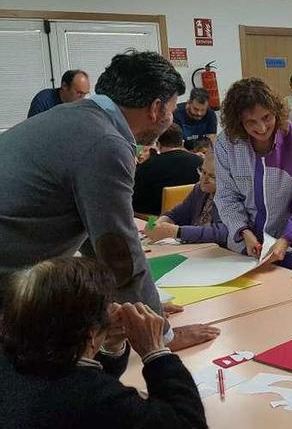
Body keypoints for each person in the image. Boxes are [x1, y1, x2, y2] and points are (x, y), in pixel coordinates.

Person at [0, 51, 216, 351]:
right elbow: (118, 252)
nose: (170, 118)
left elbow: (96, 231)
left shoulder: (73, 117)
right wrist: (161, 334)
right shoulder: (106, 144)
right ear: (155, 108)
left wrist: (139, 307)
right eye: (170, 109)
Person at [0, 256, 208, 428]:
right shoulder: (94, 399)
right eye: (107, 305)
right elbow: (189, 423)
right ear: (90, 334)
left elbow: (87, 378)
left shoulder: (17, 358)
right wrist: (156, 353)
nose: (115, 308)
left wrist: (111, 345)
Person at [215, 78, 292, 269]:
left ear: (276, 112)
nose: (262, 128)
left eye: (266, 118)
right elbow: (226, 197)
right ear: (239, 123)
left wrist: (287, 239)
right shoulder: (226, 144)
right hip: (248, 247)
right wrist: (244, 232)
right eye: (251, 122)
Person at [144, 148, 228, 246]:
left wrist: (177, 232)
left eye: (212, 177)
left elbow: (222, 233)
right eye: (203, 172)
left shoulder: (232, 197)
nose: (204, 179)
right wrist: (157, 224)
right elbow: (177, 213)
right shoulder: (199, 189)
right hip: (196, 249)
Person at [132, 123, 203, 215]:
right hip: (191, 222)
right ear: (182, 143)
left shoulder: (147, 166)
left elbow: (135, 204)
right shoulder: (201, 163)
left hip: (153, 221)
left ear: (158, 144)